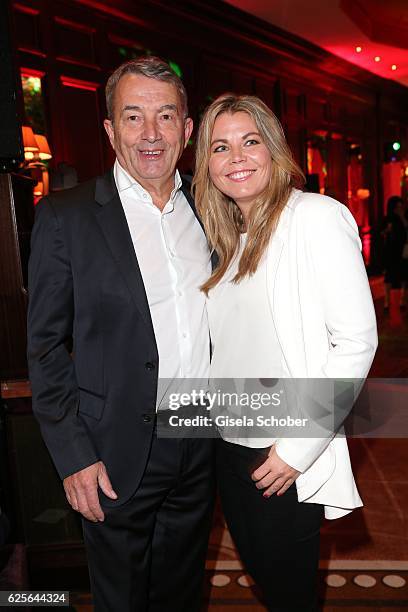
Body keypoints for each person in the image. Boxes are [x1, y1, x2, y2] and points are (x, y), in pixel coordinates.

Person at [27, 57, 215, 612]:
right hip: (112, 451)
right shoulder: (67, 216)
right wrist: (73, 455)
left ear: (188, 127)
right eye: (133, 117)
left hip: (199, 438)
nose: (150, 134)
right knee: (123, 599)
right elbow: (43, 347)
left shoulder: (213, 210)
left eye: (165, 116)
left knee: (183, 592)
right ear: (110, 130)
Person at [193, 94, 378, 611]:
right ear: (206, 164)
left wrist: (298, 449)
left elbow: (357, 342)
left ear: (274, 151)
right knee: (267, 584)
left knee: (290, 594)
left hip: (281, 451)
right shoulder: (226, 238)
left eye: (251, 142)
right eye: (221, 146)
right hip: (227, 447)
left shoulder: (315, 217)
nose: (238, 157)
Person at [382, 195, 407, 310]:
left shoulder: (404, 217)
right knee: (389, 276)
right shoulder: (388, 218)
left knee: (403, 275)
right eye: (397, 207)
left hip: (402, 250)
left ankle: (401, 301)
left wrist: (402, 217)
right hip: (390, 250)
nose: (399, 209)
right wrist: (387, 231)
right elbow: (382, 233)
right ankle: (387, 301)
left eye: (400, 207)